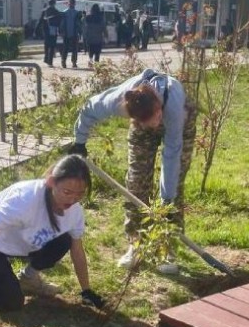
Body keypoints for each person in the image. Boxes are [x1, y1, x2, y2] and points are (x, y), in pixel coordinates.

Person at [69, 70, 195, 274]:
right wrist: (79, 142)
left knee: (174, 186)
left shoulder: (174, 109)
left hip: (181, 119)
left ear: (158, 110)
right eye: (150, 122)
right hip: (143, 114)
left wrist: (166, 198)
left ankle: (166, 248)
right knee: (136, 183)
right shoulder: (118, 101)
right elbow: (89, 108)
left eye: (155, 120)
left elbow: (172, 154)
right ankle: (135, 244)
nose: (155, 126)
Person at [0, 155, 105, 311]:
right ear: (51, 182)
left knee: (64, 240)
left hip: (23, 242)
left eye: (79, 194)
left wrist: (86, 290)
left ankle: (28, 278)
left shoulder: (75, 211)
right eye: (67, 192)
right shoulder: (25, 200)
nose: (73, 199)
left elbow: (77, 250)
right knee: (10, 303)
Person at [36, 0, 61, 67]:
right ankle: (50, 61)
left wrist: (36, 30)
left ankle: (46, 58)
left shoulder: (44, 11)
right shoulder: (56, 11)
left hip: (46, 30)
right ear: (54, 3)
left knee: (46, 45)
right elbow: (59, 22)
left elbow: (40, 21)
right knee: (52, 45)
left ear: (48, 3)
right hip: (53, 30)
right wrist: (60, 30)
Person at [60, 0, 82, 68]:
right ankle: (74, 63)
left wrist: (61, 32)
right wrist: (80, 32)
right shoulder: (77, 13)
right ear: (74, 4)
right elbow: (79, 24)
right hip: (74, 33)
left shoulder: (64, 12)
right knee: (74, 49)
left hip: (66, 33)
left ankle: (63, 61)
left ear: (68, 4)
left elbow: (62, 24)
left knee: (65, 48)